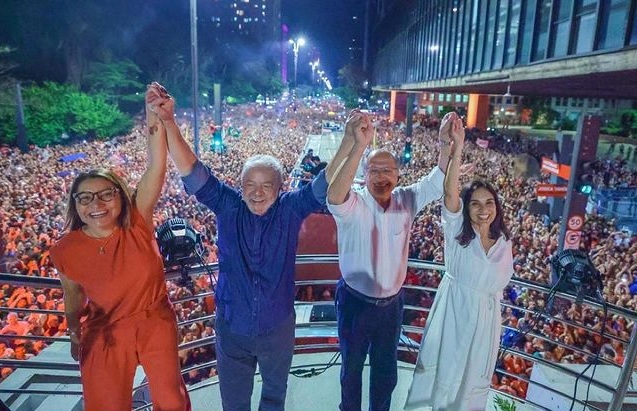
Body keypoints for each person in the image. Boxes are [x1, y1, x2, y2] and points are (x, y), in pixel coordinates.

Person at [147, 82, 357, 411]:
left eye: (266, 186)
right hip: (233, 328)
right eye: (249, 185)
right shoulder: (227, 206)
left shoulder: (290, 209)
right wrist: (170, 122)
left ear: (281, 187)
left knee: (274, 399)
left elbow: (322, 184)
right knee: (234, 403)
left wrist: (349, 142)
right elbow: (192, 170)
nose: (257, 193)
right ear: (239, 186)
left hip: (278, 327)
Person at [49, 86, 191, 411]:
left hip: (154, 319)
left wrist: (154, 114)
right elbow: (72, 294)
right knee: (105, 404)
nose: (95, 204)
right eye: (84, 197)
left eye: (105, 194)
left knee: (171, 401)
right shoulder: (65, 250)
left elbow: (156, 164)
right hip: (104, 331)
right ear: (75, 205)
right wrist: (73, 333)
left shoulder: (138, 220)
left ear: (121, 197)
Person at [326, 112, 457, 411]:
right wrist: (358, 145)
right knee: (351, 373)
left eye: (388, 170)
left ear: (398, 175)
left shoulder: (407, 200)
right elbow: (334, 195)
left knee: (386, 375)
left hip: (391, 307)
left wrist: (445, 146)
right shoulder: (353, 203)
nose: (382, 177)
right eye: (374, 170)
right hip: (354, 304)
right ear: (364, 174)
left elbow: (437, 182)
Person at [404, 114, 514, 411]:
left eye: (489, 203)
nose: (483, 209)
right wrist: (456, 147)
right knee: (445, 375)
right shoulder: (458, 233)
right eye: (475, 203)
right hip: (454, 312)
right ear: (466, 209)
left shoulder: (504, 243)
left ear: (497, 208)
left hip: (487, 323)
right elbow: (450, 191)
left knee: (472, 387)